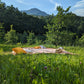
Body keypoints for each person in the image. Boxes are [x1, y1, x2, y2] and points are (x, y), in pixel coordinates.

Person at [12, 46, 76, 55]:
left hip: (37, 49)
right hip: (37, 50)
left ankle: (58, 50)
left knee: (45, 49)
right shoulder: (24, 50)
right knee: (45, 50)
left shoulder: (26, 49)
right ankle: (57, 50)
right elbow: (14, 52)